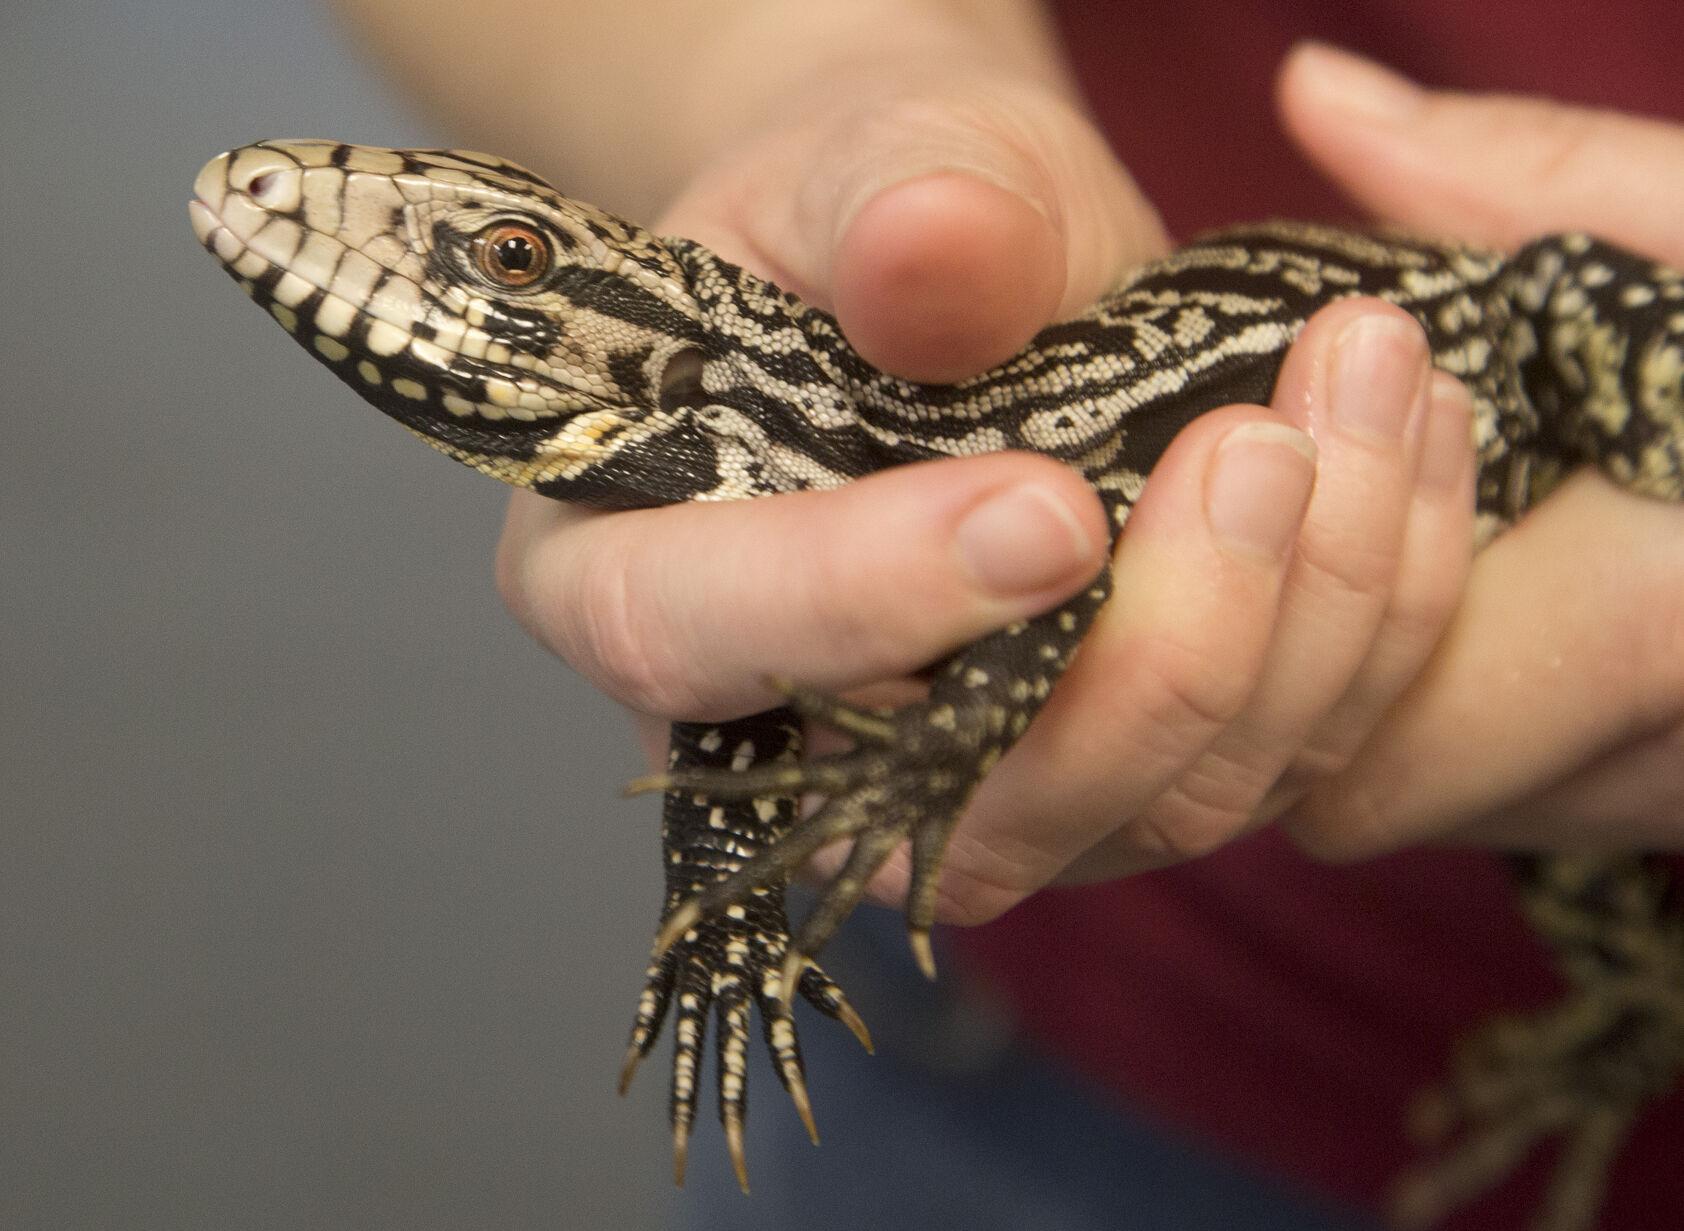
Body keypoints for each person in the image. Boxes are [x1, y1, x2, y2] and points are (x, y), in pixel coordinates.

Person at [331, 2, 1684, 1226]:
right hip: (1037, 1030)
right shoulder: (816, 459)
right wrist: (828, 71)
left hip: (1519, 376)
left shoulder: (891, 448)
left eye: (505, 256)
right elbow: (859, 661)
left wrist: (921, 764)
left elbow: (1071, 568)